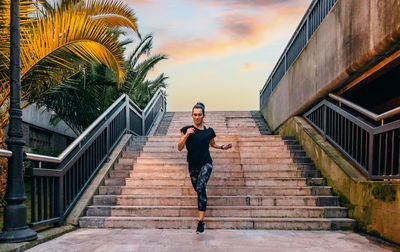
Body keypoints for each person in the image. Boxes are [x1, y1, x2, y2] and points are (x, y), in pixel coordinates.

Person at [177, 102, 232, 234]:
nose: (197, 117)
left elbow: (213, 144)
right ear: (192, 116)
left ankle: (201, 222)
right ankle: (202, 215)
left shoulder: (209, 131)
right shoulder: (186, 129)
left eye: (199, 115)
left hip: (206, 163)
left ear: (204, 115)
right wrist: (185, 135)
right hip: (193, 165)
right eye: (195, 115)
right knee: (199, 190)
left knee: (201, 188)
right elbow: (179, 148)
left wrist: (222, 147)